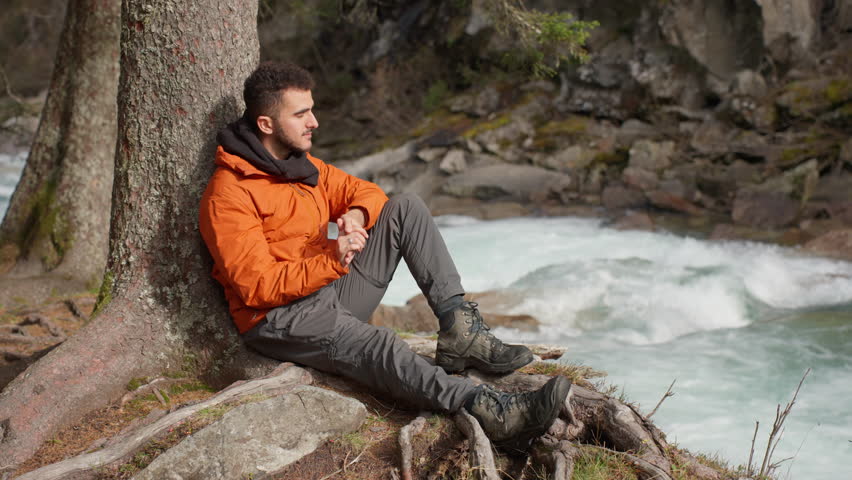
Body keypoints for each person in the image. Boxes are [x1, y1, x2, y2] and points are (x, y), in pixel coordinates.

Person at [199, 61, 570, 452]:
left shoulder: (300, 167)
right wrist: (332, 260)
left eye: (312, 109)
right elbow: (256, 288)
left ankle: (462, 332)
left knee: (405, 207)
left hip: (328, 290)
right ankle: (493, 413)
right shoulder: (228, 195)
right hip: (280, 319)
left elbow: (368, 192)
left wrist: (355, 216)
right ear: (266, 124)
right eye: (301, 114)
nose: (314, 122)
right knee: (381, 344)